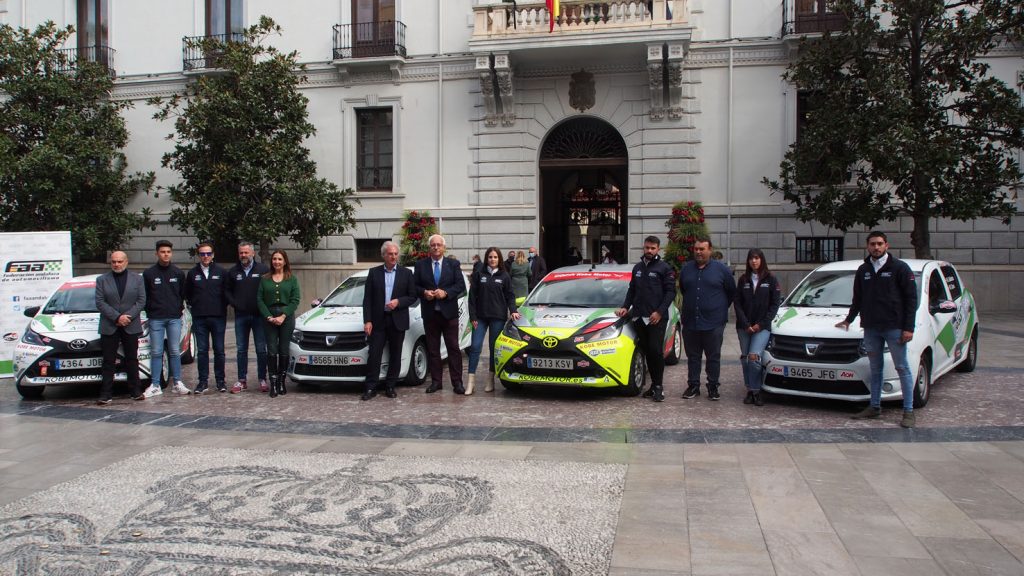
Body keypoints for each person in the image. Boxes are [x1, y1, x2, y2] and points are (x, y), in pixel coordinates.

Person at [836, 231, 918, 428]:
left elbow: (911, 299)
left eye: (880, 244)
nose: (876, 247)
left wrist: (908, 327)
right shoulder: (863, 269)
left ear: (887, 246)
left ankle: (908, 411)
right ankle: (874, 406)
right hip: (871, 328)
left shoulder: (899, 268)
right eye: (873, 244)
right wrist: (849, 319)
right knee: (875, 369)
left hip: (894, 328)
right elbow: (858, 299)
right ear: (868, 247)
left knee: (902, 368)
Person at [616, 236, 676, 402]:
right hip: (639, 318)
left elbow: (671, 292)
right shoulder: (638, 268)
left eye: (653, 248)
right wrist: (625, 307)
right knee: (647, 351)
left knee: (656, 352)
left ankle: (658, 387)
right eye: (647, 247)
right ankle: (652, 385)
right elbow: (632, 290)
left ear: (658, 249)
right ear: (643, 248)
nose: (649, 251)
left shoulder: (665, 268)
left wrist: (659, 312)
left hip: (656, 319)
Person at [679, 236, 736, 401]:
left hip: (714, 323)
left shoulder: (721, 270)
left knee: (713, 356)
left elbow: (731, 292)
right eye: (696, 249)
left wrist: (717, 309)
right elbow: (684, 289)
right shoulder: (686, 269)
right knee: (693, 357)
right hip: (691, 322)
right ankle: (693, 386)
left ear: (709, 250)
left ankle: (713, 387)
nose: (698, 252)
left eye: (702, 249)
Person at [361, 241, 418, 401]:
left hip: (397, 319)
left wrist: (398, 302)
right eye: (390, 254)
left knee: (395, 354)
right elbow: (368, 299)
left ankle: (390, 386)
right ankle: (370, 387)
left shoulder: (406, 273)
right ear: (384, 255)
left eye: (395, 254)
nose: (393, 257)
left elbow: (413, 296)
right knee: (374, 354)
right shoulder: (374, 273)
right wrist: (368, 321)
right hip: (378, 321)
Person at [413, 234, 466, 394]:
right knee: (433, 350)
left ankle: (457, 383)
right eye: (433, 245)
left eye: (438, 245)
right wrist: (424, 293)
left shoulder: (453, 264)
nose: (436, 247)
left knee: (453, 349)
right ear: (429, 248)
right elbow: (414, 287)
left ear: (443, 247)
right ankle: (436, 382)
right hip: (430, 315)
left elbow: (460, 285)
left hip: (449, 315)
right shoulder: (420, 265)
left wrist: (446, 293)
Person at [94, 251, 146, 405]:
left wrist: (127, 316)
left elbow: (141, 300)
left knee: (132, 359)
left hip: (131, 324)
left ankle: (136, 391)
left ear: (126, 262)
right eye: (114, 262)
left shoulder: (137, 279)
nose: (116, 264)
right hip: (110, 325)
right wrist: (117, 317)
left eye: (119, 261)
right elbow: (100, 302)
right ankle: (106, 394)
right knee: (108, 361)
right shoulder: (102, 280)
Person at [467, 247, 521, 394]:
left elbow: (510, 295)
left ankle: (490, 380)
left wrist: (514, 311)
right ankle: (470, 382)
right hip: (480, 317)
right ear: (486, 259)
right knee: (475, 347)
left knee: (493, 349)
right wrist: (472, 317)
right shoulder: (479, 274)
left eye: (495, 257)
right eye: (490, 257)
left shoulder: (504, 276)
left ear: (499, 259)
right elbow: (472, 297)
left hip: (498, 317)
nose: (492, 259)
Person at [141, 240, 190, 397]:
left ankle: (177, 382)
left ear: (171, 253)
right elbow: (145, 296)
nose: (166, 254)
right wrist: (151, 310)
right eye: (162, 252)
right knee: (156, 351)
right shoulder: (149, 274)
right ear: (156, 253)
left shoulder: (178, 273)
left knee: (175, 350)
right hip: (156, 318)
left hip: (174, 318)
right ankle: (155, 385)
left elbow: (183, 294)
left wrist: (178, 309)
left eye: (168, 252)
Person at [734, 248, 782, 406]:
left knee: (754, 358)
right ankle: (750, 390)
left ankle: (756, 390)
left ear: (761, 259)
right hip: (744, 327)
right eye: (751, 259)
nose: (754, 261)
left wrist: (760, 325)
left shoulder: (771, 279)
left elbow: (775, 305)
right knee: (746, 359)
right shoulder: (743, 280)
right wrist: (746, 324)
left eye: (756, 258)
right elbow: (738, 303)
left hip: (762, 327)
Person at [225, 241, 271, 393]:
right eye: (241, 253)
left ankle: (262, 378)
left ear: (253, 253)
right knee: (241, 349)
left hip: (259, 316)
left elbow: (268, 290)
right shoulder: (232, 272)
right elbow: (227, 291)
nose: (243, 255)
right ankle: (241, 380)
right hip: (241, 316)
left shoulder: (263, 270)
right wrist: (234, 303)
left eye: (246, 252)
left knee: (260, 349)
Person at [184, 241, 229, 394]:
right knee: (202, 351)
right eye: (202, 254)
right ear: (199, 255)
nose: (205, 256)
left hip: (218, 317)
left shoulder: (221, 272)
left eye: (208, 253)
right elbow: (188, 294)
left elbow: (226, 293)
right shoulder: (192, 273)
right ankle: (203, 382)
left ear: (213, 255)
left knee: (219, 350)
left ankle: (220, 381)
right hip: (200, 318)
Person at [258, 249, 301, 398]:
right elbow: (260, 300)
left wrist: (283, 315)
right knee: (271, 350)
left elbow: (295, 299)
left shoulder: (292, 279)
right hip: (269, 317)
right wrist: (268, 316)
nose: (277, 262)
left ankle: (282, 380)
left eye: (280, 259)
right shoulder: (265, 279)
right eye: (274, 259)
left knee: (284, 350)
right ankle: (273, 382)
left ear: (285, 262)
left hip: (286, 317)